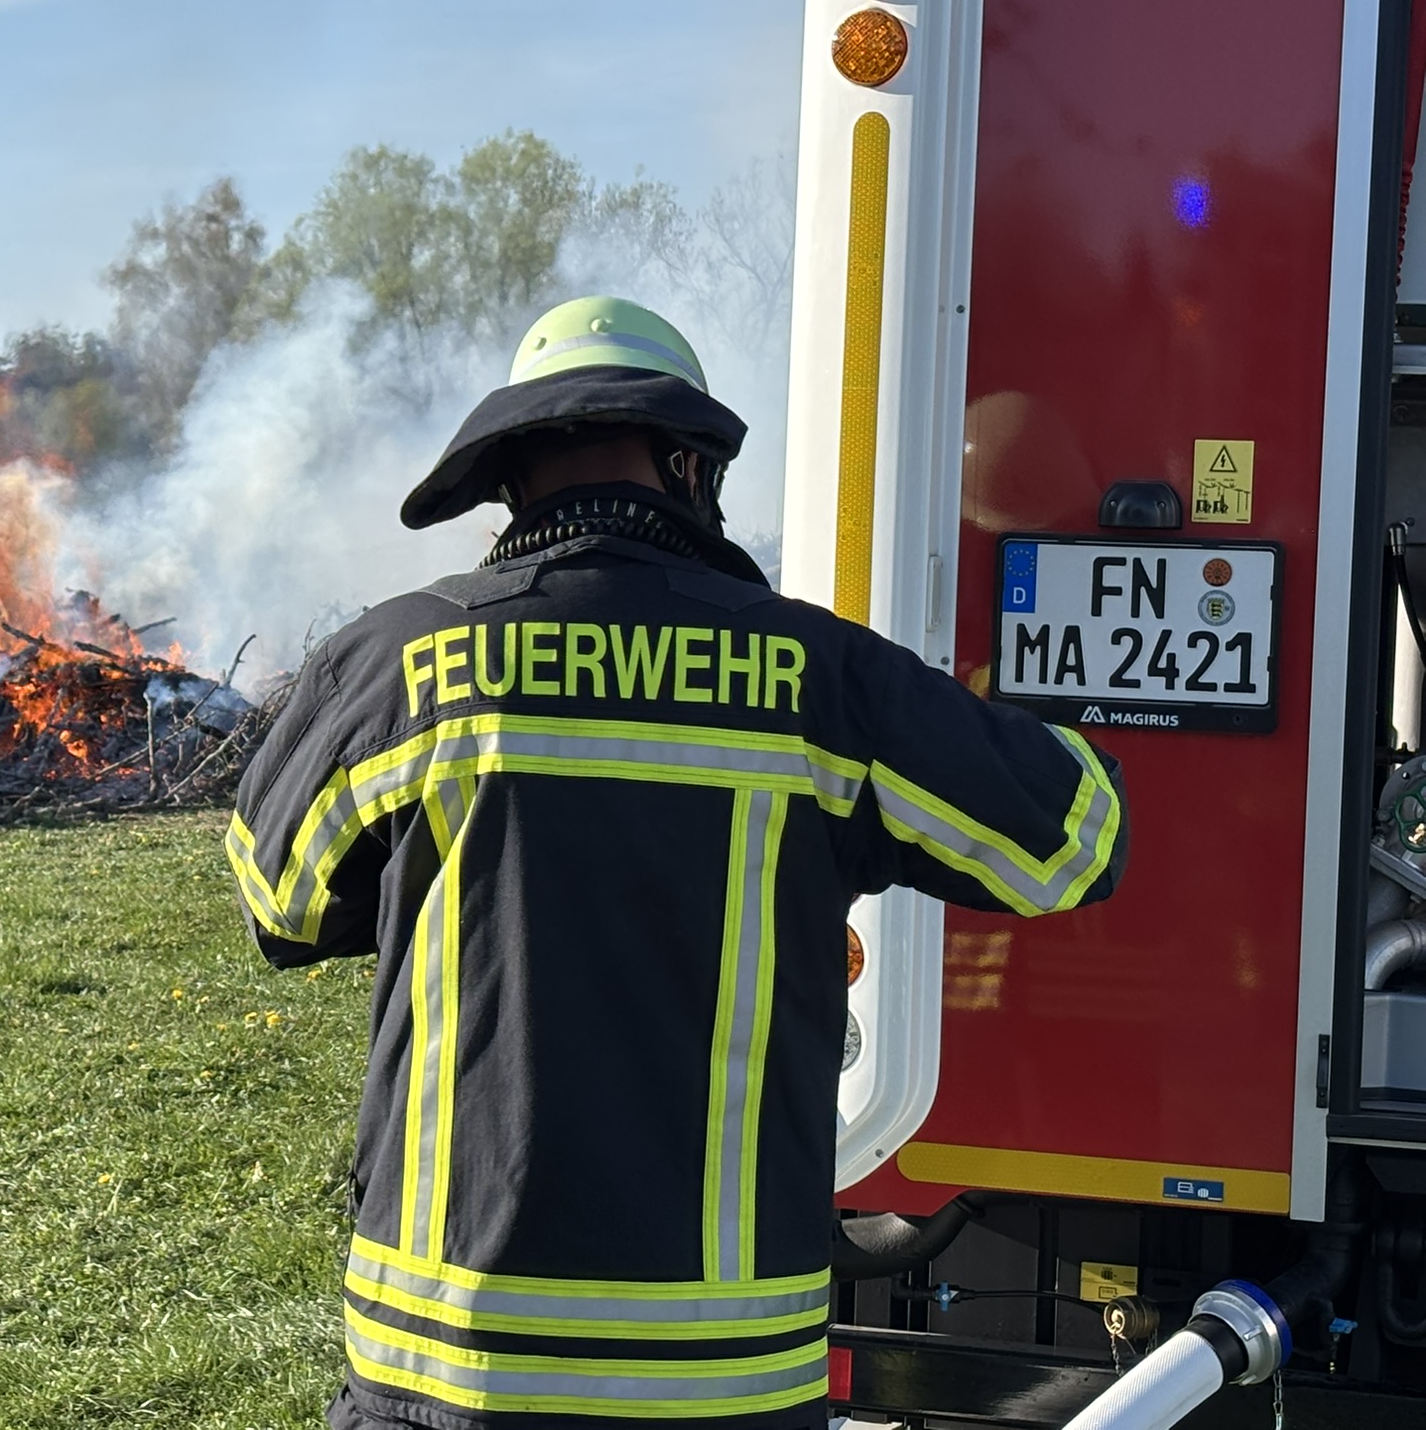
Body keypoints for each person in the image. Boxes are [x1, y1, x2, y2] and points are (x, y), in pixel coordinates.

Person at [226, 296, 1129, 1430]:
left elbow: (278, 905)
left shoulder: (399, 660)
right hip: (721, 1377)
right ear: (688, 470)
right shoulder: (821, 681)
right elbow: (1074, 840)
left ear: (508, 481)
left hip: (447, 1365)